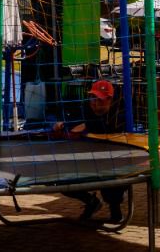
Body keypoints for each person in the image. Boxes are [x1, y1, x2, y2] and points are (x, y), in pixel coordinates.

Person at [51, 80, 127, 224]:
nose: (95, 103)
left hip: (112, 162)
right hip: (86, 160)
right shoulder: (86, 107)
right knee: (59, 179)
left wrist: (87, 126)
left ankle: (115, 209)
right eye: (93, 98)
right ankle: (91, 201)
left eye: (99, 99)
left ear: (109, 99)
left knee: (114, 179)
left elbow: (109, 127)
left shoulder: (120, 112)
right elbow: (73, 121)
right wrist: (61, 125)